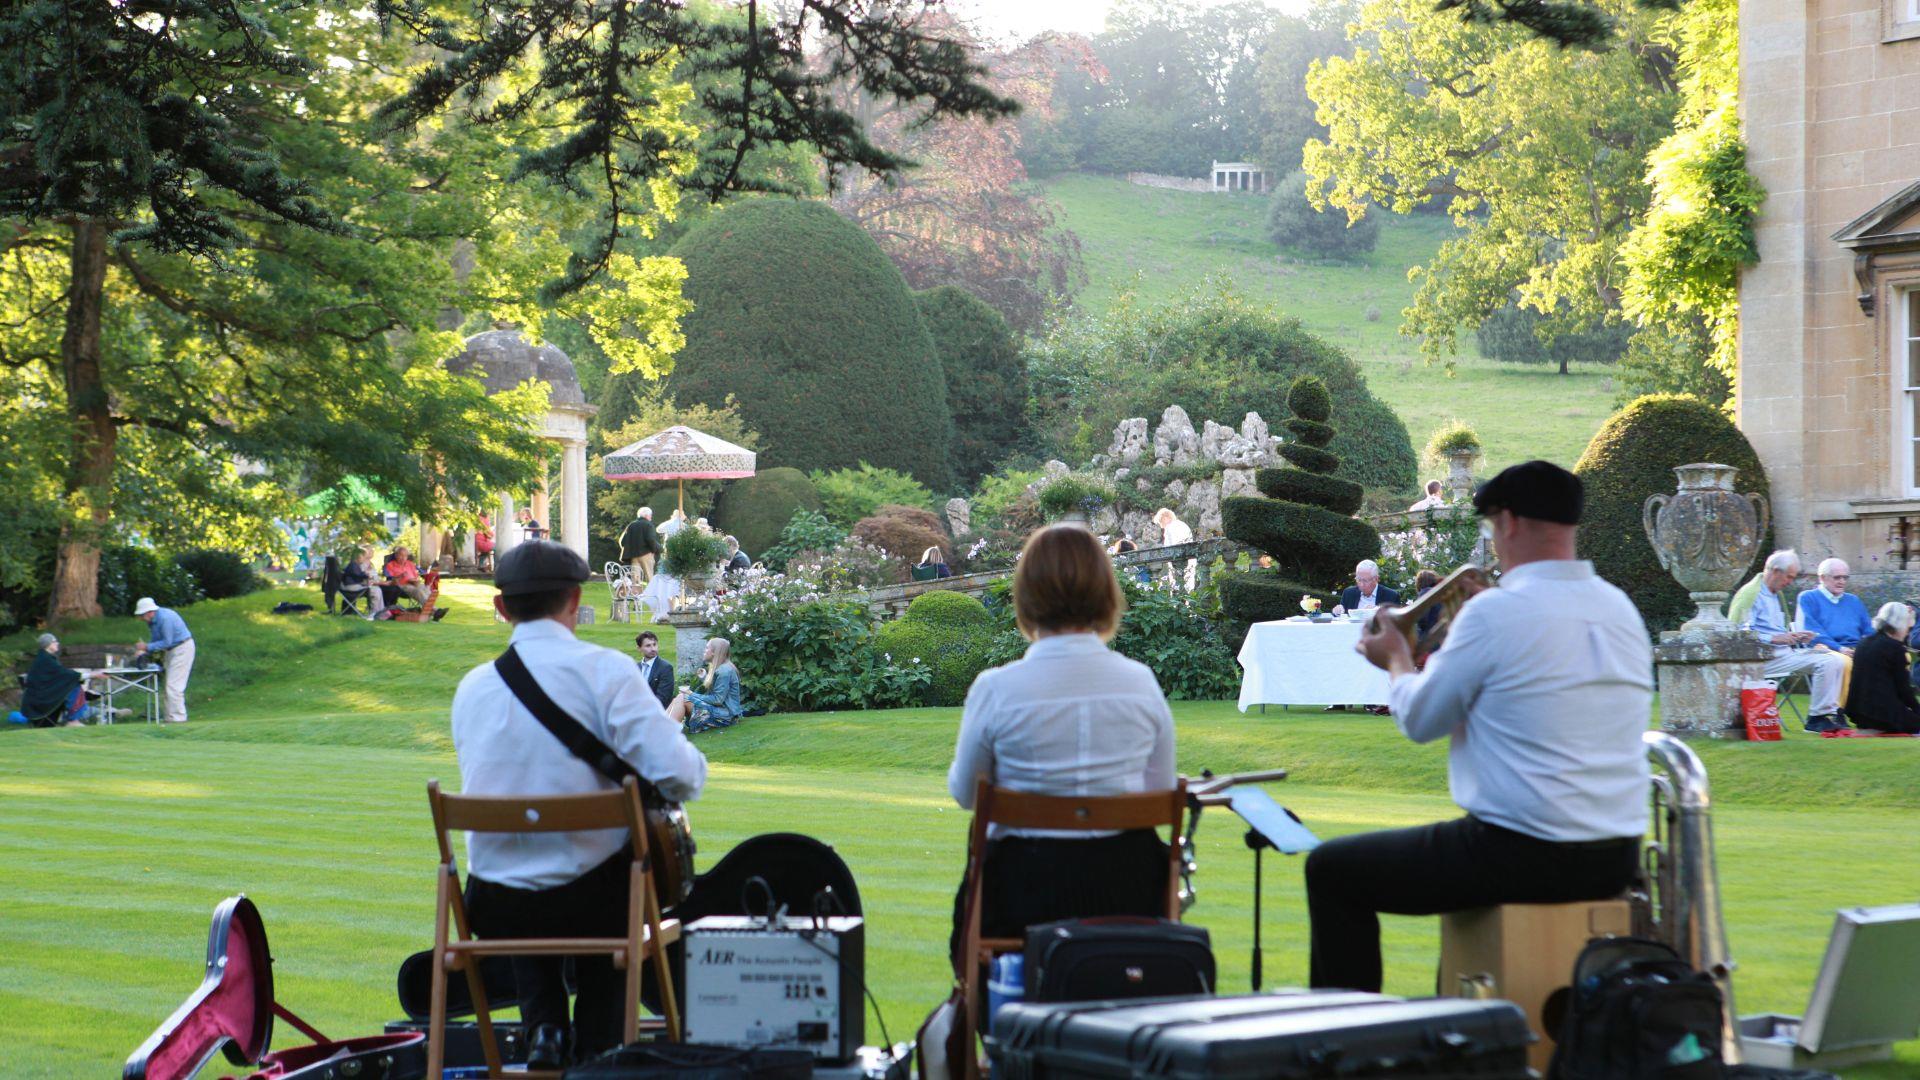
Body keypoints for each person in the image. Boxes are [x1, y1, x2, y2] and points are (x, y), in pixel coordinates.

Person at [1315, 461, 1650, 993]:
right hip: (1616, 851)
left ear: (1509, 522)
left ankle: (1348, 1050)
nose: (1493, 543)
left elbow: (1422, 720)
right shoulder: (1619, 608)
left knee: (1332, 871)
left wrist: (1398, 659)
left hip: (1521, 850)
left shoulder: (1495, 613)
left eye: (1491, 528)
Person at [452, 539, 706, 1071]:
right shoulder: (608, 672)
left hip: (494, 906)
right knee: (609, 879)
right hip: (597, 902)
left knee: (528, 880)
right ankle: (598, 1047)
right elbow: (683, 778)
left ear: (501, 608)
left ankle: (544, 1028)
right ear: (575, 598)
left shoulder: (472, 689)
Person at [946, 524, 1176, 968]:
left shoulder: (997, 689)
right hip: (1126, 891)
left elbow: (966, 794)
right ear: (1105, 593)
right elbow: (1159, 791)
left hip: (1024, 894)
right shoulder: (1140, 682)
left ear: (1027, 596)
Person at [1743, 550, 1850, 732]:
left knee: (1833, 657)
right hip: (1762, 660)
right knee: (1828, 662)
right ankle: (1817, 718)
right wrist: (1774, 638)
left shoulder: (1775, 594)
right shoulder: (1751, 594)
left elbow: (1775, 630)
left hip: (1784, 653)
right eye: (1789, 577)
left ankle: (1827, 714)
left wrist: (1796, 636)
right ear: (1776, 571)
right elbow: (1741, 634)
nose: (1790, 582)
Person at [1796, 557, 1869, 704]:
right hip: (1827, 649)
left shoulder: (1853, 600)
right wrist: (1839, 648)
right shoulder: (1808, 597)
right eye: (1837, 577)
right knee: (1844, 662)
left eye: (1845, 577)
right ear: (1822, 578)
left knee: (1898, 656)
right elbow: (1813, 632)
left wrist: (1868, 647)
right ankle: (1838, 711)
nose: (1842, 581)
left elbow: (1868, 628)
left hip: (1856, 648)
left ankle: (1887, 711)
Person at [1845, 602, 1920, 735]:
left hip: (1858, 712)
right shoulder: (1894, 648)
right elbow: (1903, 690)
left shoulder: (1863, 643)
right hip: (1883, 713)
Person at [133, 597, 195, 724]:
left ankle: (178, 718)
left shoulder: (165, 618)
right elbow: (157, 640)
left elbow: (167, 642)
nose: (141, 618)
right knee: (168, 685)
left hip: (182, 648)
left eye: (142, 615)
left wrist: (146, 647)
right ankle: (169, 717)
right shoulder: (152, 621)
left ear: (150, 612)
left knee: (174, 685)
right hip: (171, 650)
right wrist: (145, 650)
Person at [21, 633, 93, 726]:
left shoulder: (45, 658)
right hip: (40, 699)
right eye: (54, 642)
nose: (57, 643)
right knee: (74, 687)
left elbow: (61, 675)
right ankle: (73, 721)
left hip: (42, 695)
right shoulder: (46, 660)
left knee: (72, 685)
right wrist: (93, 674)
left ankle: (73, 720)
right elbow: (65, 674)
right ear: (48, 645)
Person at [682, 638, 743, 734]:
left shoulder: (724, 671)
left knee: (685, 701)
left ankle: (666, 731)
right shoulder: (721, 667)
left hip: (726, 716)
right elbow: (718, 690)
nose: (704, 651)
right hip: (723, 711)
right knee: (682, 699)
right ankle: (667, 729)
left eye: (707, 648)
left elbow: (717, 700)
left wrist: (692, 694)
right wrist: (704, 677)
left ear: (714, 652)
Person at [1334, 559, 1400, 616]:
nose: (1361, 584)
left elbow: (1396, 622)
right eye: (1359, 580)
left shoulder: (1391, 596)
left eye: (1365, 581)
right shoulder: (1349, 593)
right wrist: (1337, 611)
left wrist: (1376, 612)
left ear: (1376, 579)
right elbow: (1341, 617)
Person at [341, 548, 388, 620]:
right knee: (374, 590)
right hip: (351, 587)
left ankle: (379, 612)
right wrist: (367, 575)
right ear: (358, 556)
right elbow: (358, 575)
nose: (364, 559)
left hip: (353, 586)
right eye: (363, 557)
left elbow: (358, 575)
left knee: (377, 589)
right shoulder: (353, 565)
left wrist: (366, 575)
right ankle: (374, 613)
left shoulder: (354, 564)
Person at [619, 507, 662, 581]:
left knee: (635, 580)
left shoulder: (631, 525)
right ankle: (650, 592)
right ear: (646, 515)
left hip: (634, 556)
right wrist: (656, 549)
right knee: (649, 577)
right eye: (650, 515)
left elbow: (622, 541)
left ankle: (636, 592)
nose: (651, 516)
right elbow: (650, 539)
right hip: (646, 555)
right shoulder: (648, 525)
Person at [634, 631, 675, 709]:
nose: (653, 649)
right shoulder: (635, 668)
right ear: (639, 648)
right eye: (648, 646)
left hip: (656, 712)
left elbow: (663, 698)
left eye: (654, 644)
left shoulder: (665, 668)